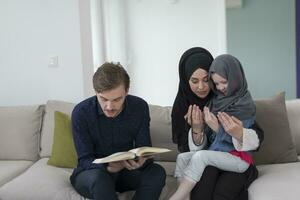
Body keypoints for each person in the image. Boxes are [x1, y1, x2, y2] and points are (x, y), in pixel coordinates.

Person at [171, 47, 264, 200]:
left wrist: (235, 133)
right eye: (194, 81)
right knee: (201, 187)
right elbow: (192, 153)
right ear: (185, 80)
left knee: (224, 190)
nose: (201, 87)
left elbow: (257, 137)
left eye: (206, 80)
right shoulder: (183, 107)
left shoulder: (235, 100)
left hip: (236, 159)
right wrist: (197, 130)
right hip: (209, 160)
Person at [70, 62, 166, 200]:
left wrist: (141, 160)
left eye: (117, 99)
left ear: (126, 91)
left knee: (157, 172)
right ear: (96, 92)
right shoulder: (81, 112)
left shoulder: (139, 107)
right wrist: (108, 167)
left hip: (125, 172)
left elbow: (144, 147)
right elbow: (85, 160)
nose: (109, 106)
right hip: (92, 173)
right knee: (99, 178)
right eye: (103, 99)